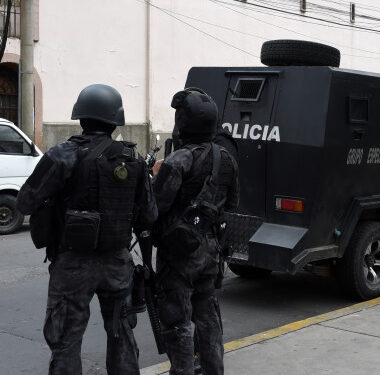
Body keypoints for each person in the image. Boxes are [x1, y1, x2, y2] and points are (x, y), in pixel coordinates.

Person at [16, 84, 157, 374]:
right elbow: (149, 216)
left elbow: (25, 202)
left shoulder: (62, 154)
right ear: (115, 121)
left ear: (81, 118)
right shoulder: (133, 160)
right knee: (121, 338)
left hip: (72, 265)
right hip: (117, 263)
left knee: (66, 342)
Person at [153, 87, 239, 375]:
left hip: (179, 254)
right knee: (208, 317)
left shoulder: (178, 161)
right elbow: (233, 203)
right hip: (212, 250)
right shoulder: (226, 158)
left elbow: (155, 207)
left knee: (177, 322)